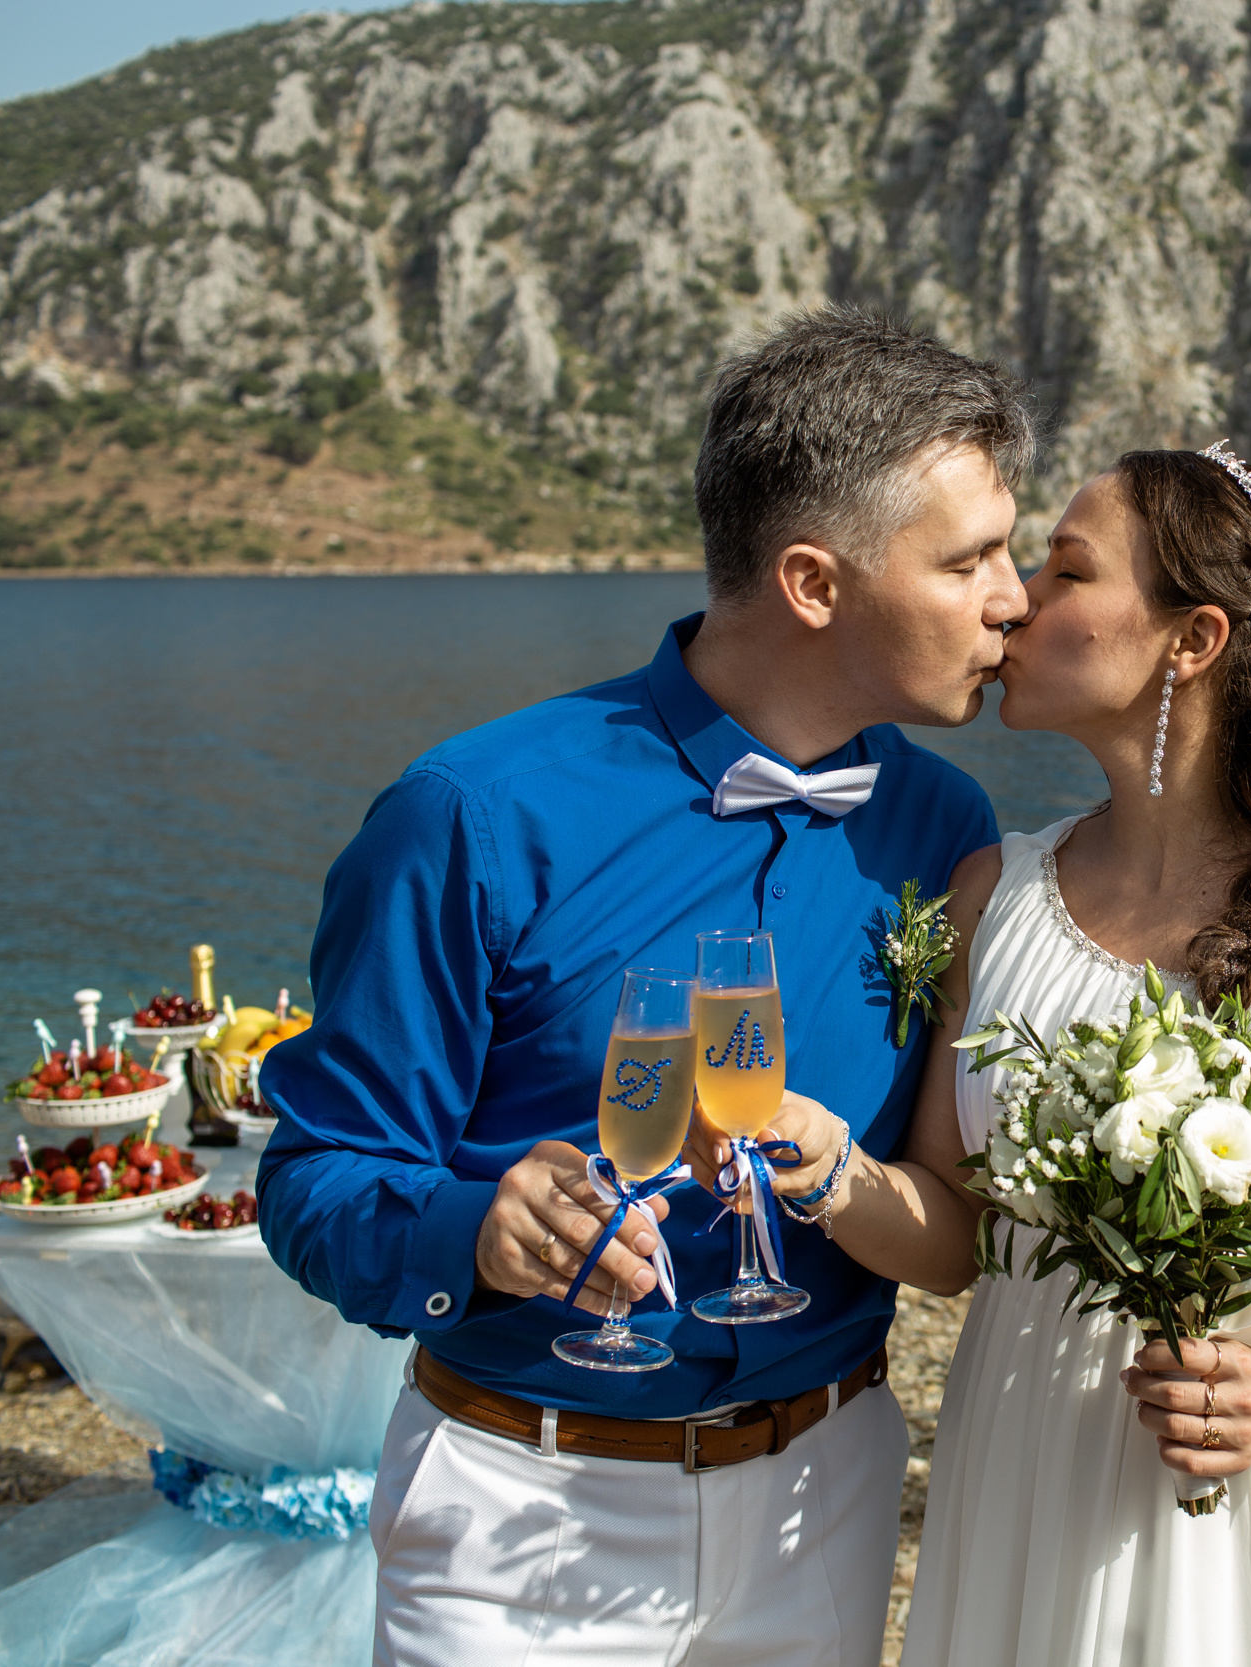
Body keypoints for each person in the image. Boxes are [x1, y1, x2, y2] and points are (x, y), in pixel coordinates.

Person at [255, 306, 1032, 1666]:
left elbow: (945, 1208)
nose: (1013, 598)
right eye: (969, 559)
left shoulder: (946, 830)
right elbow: (315, 1178)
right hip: (520, 1512)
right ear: (813, 582)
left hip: (827, 1496)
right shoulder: (473, 813)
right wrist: (475, 1228)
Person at [742, 445, 1251, 1663]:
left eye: (1066, 570)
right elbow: (955, 1239)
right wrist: (829, 1172)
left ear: (1194, 638)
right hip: (1027, 1473)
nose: (1015, 599)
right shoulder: (991, 894)